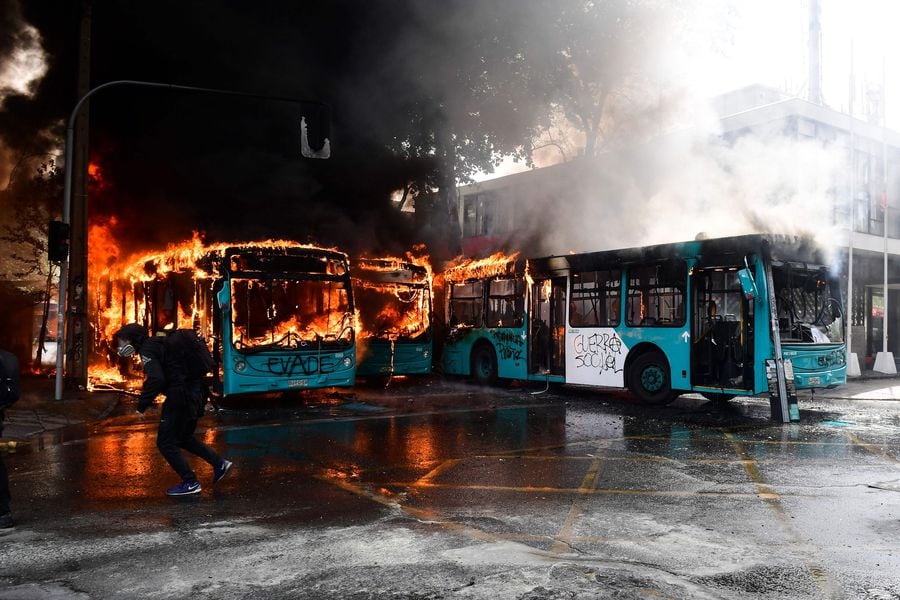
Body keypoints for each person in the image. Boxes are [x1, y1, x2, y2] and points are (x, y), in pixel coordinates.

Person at [114, 324, 232, 497]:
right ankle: (219, 463)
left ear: (132, 339)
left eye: (122, 341)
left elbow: (156, 379)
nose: (120, 346)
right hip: (196, 392)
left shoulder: (146, 350)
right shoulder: (159, 341)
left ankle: (190, 482)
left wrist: (141, 407)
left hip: (180, 396)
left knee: (165, 442)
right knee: (183, 437)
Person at [0, 348, 20, 528]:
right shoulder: (7, 358)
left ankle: (3, 512)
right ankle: (3, 512)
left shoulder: (5, 359)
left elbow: (10, 394)